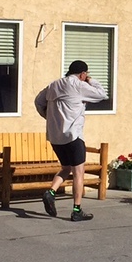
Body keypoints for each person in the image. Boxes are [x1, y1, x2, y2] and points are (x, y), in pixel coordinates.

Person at [35, 60, 108, 221]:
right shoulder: (79, 85)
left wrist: (48, 117)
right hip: (73, 136)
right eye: (86, 74)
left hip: (55, 137)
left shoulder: (54, 85)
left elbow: (38, 101)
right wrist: (90, 80)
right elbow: (102, 94)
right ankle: (76, 210)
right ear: (82, 74)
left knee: (66, 168)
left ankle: (50, 192)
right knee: (78, 173)